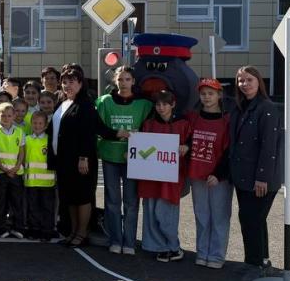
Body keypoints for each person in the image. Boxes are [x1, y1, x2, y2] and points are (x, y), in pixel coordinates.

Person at [229, 66, 282, 281]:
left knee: (253, 219)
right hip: (243, 177)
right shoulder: (241, 107)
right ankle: (256, 261)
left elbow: (269, 147)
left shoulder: (266, 108)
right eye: (241, 81)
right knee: (251, 219)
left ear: (258, 82)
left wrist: (262, 178)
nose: (245, 84)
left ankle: (258, 265)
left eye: (249, 80)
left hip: (259, 179)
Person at [96, 66, 152, 255]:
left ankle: (129, 241)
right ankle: (115, 239)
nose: (124, 83)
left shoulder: (144, 105)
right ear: (115, 81)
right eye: (120, 79)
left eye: (127, 79)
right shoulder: (104, 102)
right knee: (112, 200)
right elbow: (98, 128)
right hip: (110, 156)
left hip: (134, 158)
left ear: (133, 81)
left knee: (131, 201)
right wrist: (117, 133)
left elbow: (151, 129)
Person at [137, 91, 191, 262]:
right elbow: (140, 147)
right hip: (150, 176)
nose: (161, 108)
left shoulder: (183, 123)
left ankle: (173, 246)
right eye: (158, 104)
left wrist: (186, 147)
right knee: (151, 211)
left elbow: (191, 142)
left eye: (165, 104)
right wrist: (133, 154)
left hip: (171, 176)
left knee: (166, 212)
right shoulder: (148, 124)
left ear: (173, 104)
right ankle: (157, 246)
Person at [48, 65, 98, 248]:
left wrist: (84, 157)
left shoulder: (85, 104)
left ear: (80, 83)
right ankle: (73, 231)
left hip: (80, 161)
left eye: (72, 81)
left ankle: (82, 233)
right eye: (64, 81)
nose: (67, 85)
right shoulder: (63, 102)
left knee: (82, 197)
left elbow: (88, 132)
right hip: (64, 160)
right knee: (69, 197)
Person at [187, 79, 232, 269]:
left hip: (218, 177)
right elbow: (188, 141)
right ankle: (202, 251)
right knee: (202, 214)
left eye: (211, 93)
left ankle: (216, 255)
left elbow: (230, 150)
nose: (207, 97)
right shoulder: (193, 117)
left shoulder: (227, 119)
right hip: (197, 174)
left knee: (220, 215)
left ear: (219, 95)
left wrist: (219, 173)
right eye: (203, 94)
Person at [0, 102, 26, 239]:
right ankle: (0, 228)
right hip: (1, 173)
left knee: (16, 202)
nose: (6, 118)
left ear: (14, 116)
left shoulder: (19, 131)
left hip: (16, 173)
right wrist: (3, 168)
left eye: (9, 115)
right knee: (0, 202)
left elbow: (21, 151)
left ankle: (17, 227)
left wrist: (17, 166)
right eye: (3, 115)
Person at [24, 111, 56, 240]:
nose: (37, 126)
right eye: (35, 123)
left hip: (47, 182)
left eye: (40, 123)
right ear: (31, 124)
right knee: (33, 207)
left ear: (45, 125)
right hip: (31, 181)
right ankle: (34, 229)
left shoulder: (49, 140)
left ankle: (47, 230)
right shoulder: (26, 139)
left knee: (47, 208)